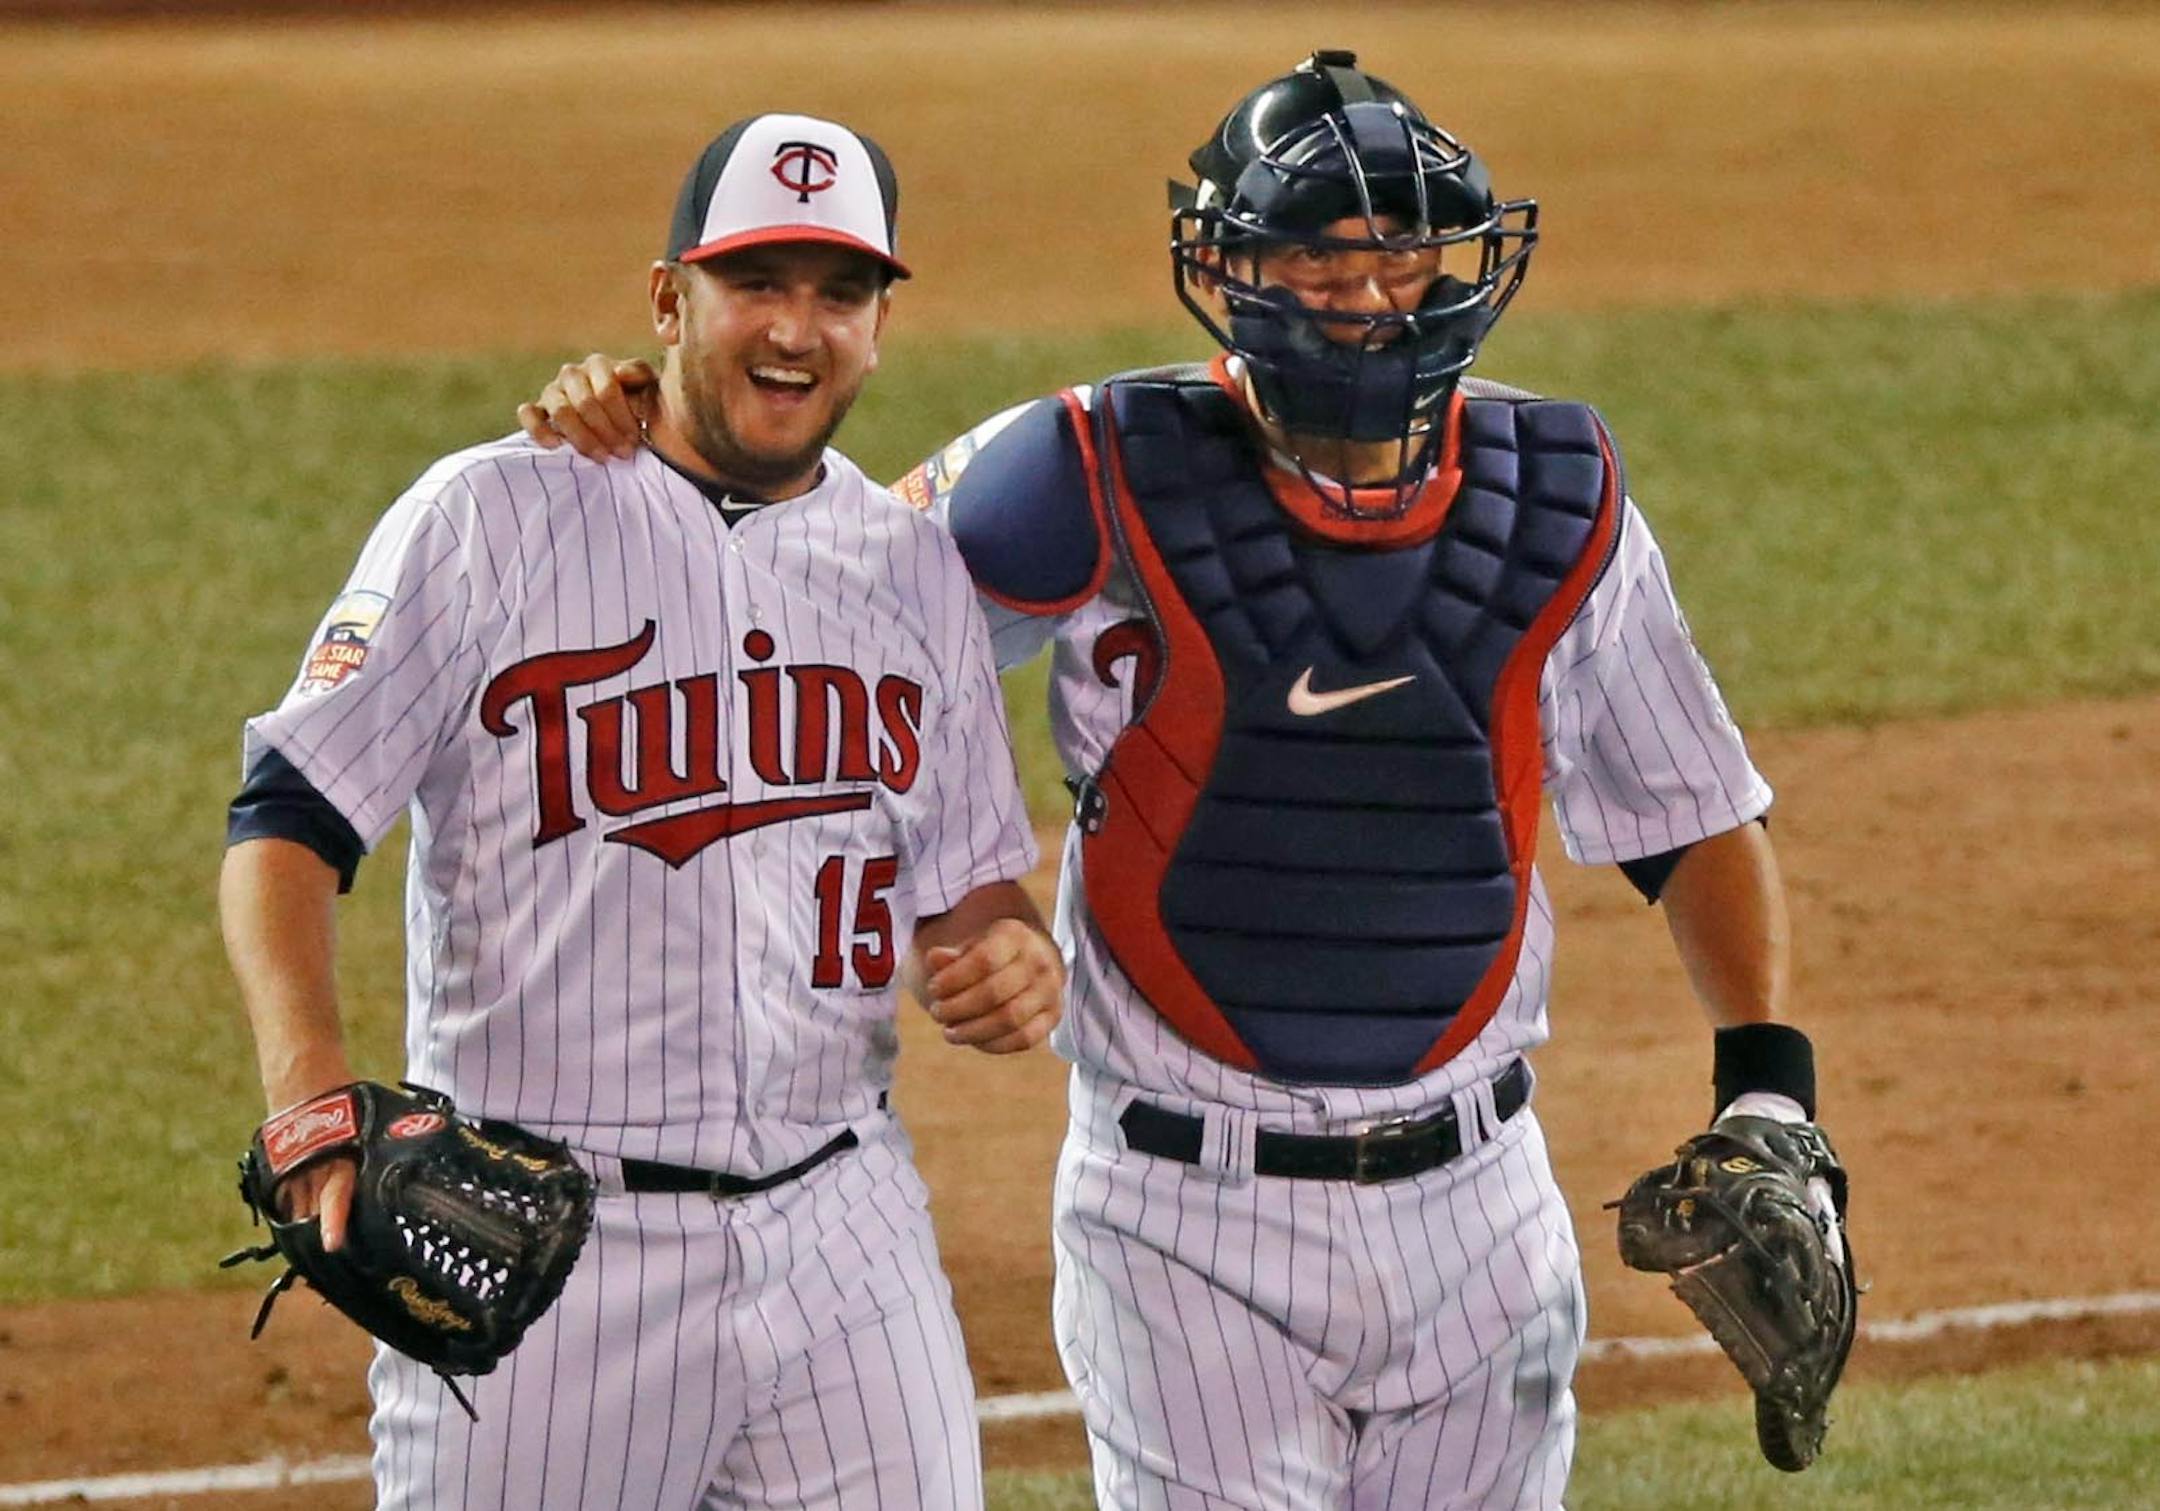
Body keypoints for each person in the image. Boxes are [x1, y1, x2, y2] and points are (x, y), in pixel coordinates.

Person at [521, 54, 1851, 1510]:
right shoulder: (1086, 469)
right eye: (1315, 252)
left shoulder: (1561, 498)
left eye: (1398, 252)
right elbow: (806, 613)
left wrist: (1771, 1093)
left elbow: (1692, 813)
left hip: (1485, 1208)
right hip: (1185, 1224)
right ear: (1230, 266)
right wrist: (659, 442)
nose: (1363, 292)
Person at [222, 111, 1062, 1511]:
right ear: (669, 298)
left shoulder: (912, 572)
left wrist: (1009, 945)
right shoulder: (488, 518)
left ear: (878, 328)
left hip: (846, 1232)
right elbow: (286, 821)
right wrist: (310, 1098)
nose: (796, 330)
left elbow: (972, 881)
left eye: (839, 294)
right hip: (547, 1242)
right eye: (757, 286)